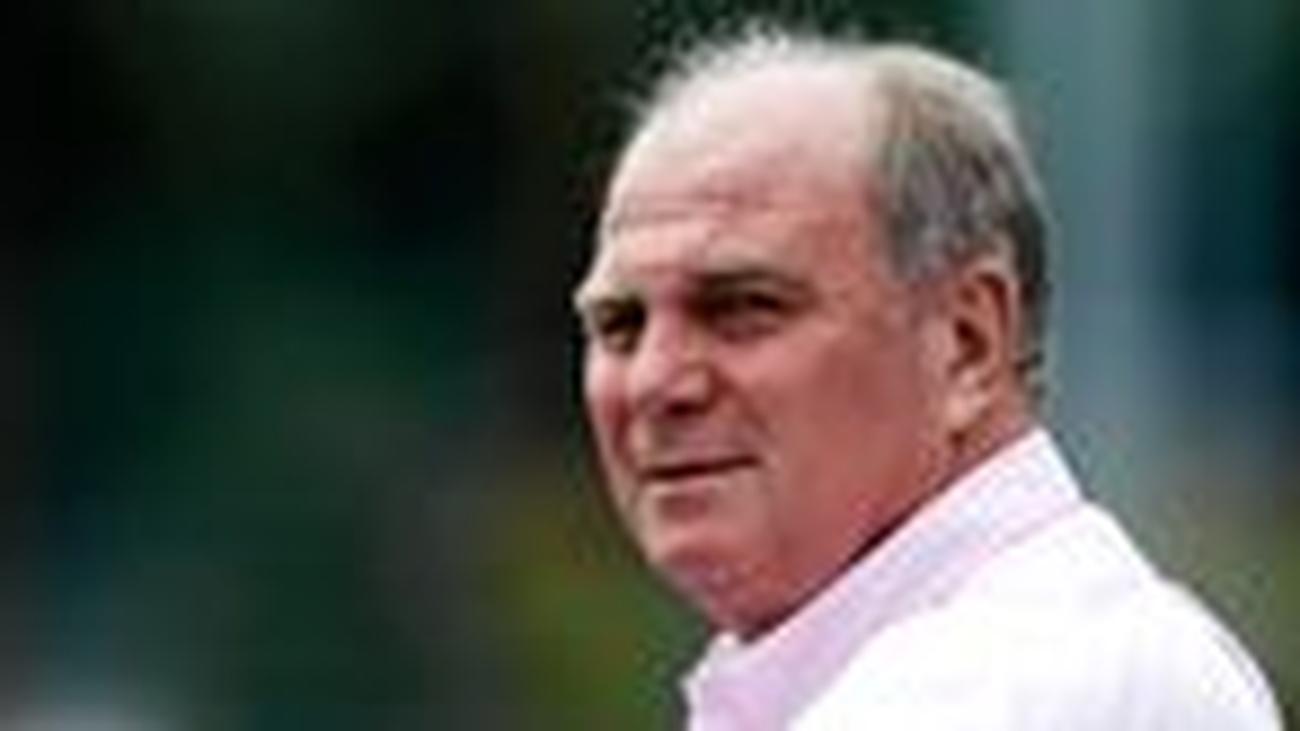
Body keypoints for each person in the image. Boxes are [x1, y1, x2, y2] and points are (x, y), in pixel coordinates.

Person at [571, 25, 1282, 730]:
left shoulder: (1002, 681)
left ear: (967, 343)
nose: (654, 382)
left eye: (744, 308)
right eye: (619, 325)